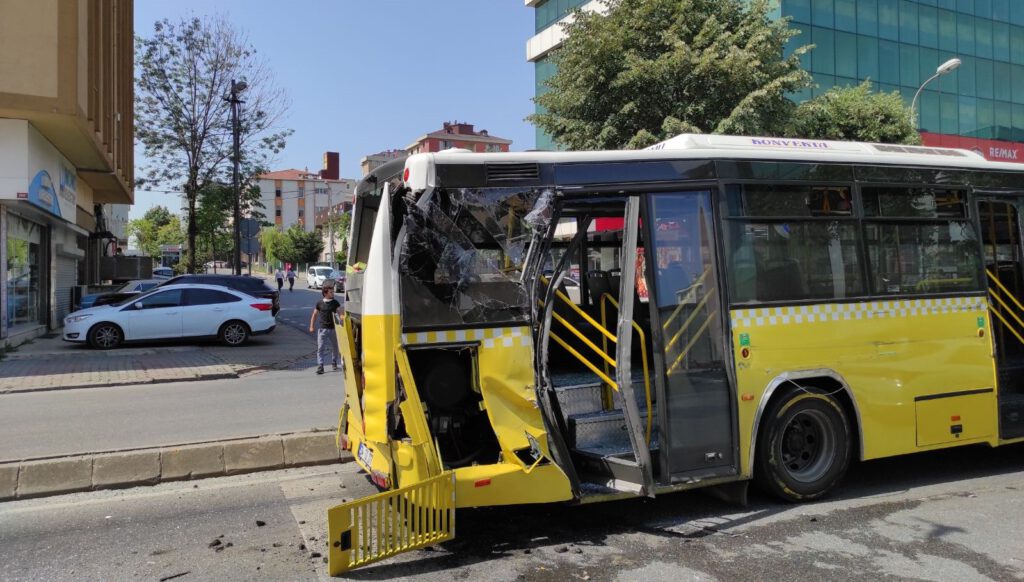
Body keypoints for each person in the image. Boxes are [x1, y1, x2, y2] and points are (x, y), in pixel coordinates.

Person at [309, 284, 341, 374]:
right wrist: (311, 326)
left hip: (333, 329)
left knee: (335, 347)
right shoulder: (319, 303)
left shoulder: (335, 302)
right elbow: (314, 315)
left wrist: (342, 317)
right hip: (322, 330)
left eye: (333, 291)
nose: (333, 293)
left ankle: (334, 362)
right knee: (320, 348)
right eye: (331, 292)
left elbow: (340, 311)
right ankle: (320, 366)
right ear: (325, 293)